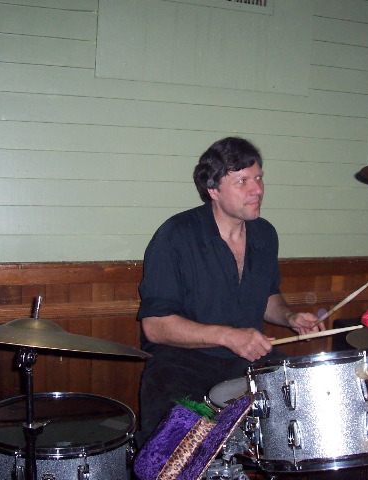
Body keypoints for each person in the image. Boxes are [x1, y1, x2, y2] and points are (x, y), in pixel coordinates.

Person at [135, 136, 323, 445]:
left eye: (258, 178)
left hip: (247, 361)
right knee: (172, 454)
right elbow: (155, 327)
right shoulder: (175, 236)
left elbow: (266, 297)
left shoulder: (265, 234)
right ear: (213, 190)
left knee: (307, 410)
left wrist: (289, 317)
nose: (257, 189)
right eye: (242, 181)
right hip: (182, 365)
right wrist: (228, 336)